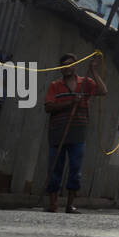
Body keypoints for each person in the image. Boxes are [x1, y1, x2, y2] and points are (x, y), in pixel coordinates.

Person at [42, 53, 107, 213]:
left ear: (75, 65)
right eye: (64, 65)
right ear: (61, 68)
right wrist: (71, 102)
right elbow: (48, 107)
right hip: (58, 132)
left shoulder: (85, 83)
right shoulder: (55, 85)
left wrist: (93, 71)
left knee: (75, 169)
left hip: (78, 132)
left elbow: (103, 90)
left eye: (71, 64)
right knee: (55, 168)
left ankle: (70, 205)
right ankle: (53, 204)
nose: (68, 67)